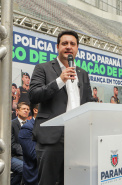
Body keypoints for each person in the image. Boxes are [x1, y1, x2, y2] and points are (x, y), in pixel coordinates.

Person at [29, 30, 93, 185]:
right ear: (57, 46)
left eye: (73, 44)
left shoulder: (83, 73)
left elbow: (87, 102)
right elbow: (34, 95)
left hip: (77, 138)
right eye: (65, 43)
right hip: (52, 137)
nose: (69, 47)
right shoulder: (43, 68)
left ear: (77, 48)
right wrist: (60, 80)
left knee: (74, 181)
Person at [18, 103, 39, 185]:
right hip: (35, 175)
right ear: (35, 110)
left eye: (27, 109)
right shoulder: (27, 127)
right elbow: (33, 154)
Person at [11, 102, 30, 185]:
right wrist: (26, 152)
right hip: (13, 156)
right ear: (17, 111)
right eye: (23, 109)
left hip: (27, 155)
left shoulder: (31, 124)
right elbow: (12, 144)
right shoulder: (11, 124)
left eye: (27, 109)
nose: (26, 111)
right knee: (24, 168)